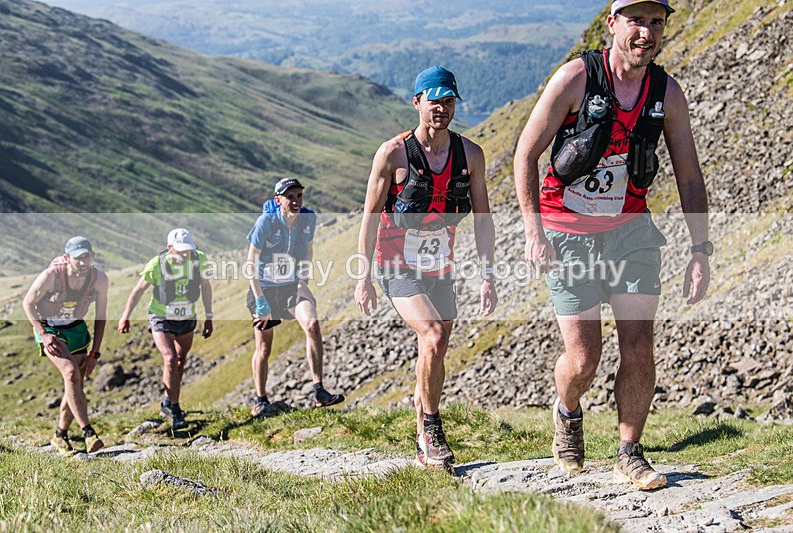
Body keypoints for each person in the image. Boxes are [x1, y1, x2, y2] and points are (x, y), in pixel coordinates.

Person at [513, 0, 710, 490]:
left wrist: (700, 250)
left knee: (639, 348)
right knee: (583, 359)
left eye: (657, 22)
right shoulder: (577, 78)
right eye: (637, 20)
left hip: (632, 233)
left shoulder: (666, 92)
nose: (647, 31)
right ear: (613, 25)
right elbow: (525, 153)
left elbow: (689, 176)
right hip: (568, 234)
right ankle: (567, 409)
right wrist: (533, 230)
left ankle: (630, 452)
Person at [354, 66, 497, 471]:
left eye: (449, 101)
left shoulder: (470, 155)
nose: (442, 108)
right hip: (394, 261)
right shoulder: (393, 153)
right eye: (434, 101)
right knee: (432, 336)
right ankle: (433, 429)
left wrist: (488, 275)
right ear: (417, 102)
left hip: (440, 265)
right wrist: (363, 277)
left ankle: (422, 443)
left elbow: (484, 218)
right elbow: (368, 217)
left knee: (434, 349)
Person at [246, 177, 344, 418]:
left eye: (299, 195)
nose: (296, 201)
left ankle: (319, 390)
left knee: (312, 325)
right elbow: (250, 263)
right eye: (290, 197)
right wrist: (260, 300)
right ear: (278, 200)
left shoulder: (308, 218)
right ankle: (260, 399)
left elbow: (308, 250)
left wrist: (303, 279)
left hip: (291, 285)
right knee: (264, 347)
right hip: (265, 288)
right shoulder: (266, 222)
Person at [118, 228, 214, 430]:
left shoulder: (199, 260)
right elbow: (138, 291)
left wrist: (209, 316)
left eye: (187, 251)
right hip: (161, 316)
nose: (184, 255)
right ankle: (176, 410)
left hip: (187, 316)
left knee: (180, 360)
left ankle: (167, 401)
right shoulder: (157, 264)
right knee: (170, 358)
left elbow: (205, 287)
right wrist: (125, 316)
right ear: (169, 248)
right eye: (180, 251)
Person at [23, 236, 109, 455]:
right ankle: (88, 433)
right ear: (67, 257)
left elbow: (101, 317)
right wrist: (43, 334)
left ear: (93, 257)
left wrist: (95, 353)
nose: (82, 262)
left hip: (77, 329)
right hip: (51, 329)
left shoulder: (99, 279)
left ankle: (60, 435)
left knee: (75, 383)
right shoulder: (52, 276)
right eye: (77, 258)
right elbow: (28, 303)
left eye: (86, 257)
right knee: (70, 373)